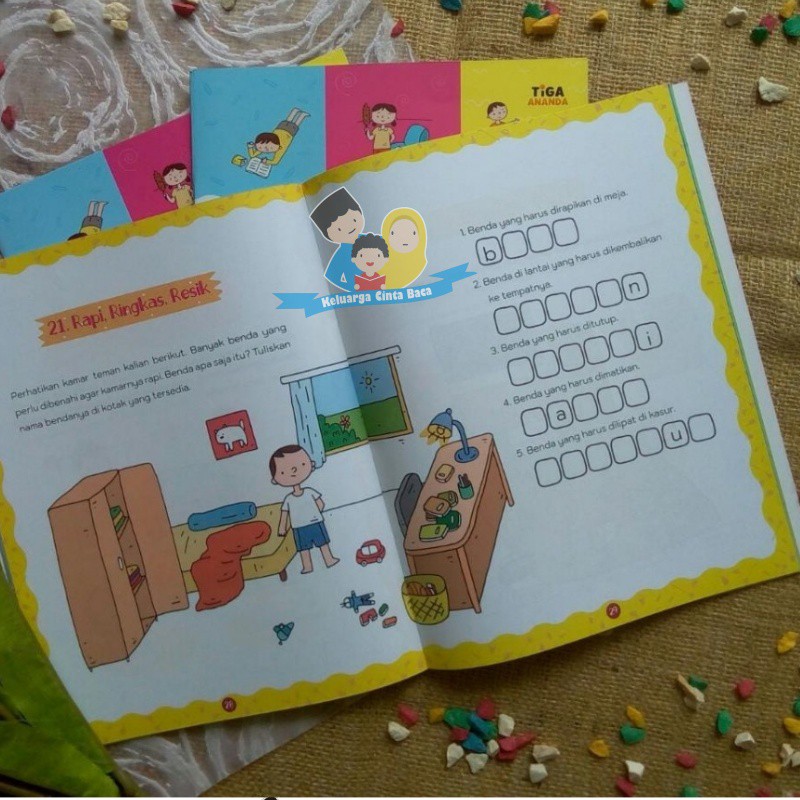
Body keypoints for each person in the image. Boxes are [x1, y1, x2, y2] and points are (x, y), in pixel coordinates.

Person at [270, 444, 339, 575]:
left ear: (310, 464)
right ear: (275, 479)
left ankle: (329, 559)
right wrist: (282, 528)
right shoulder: (288, 499)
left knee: (323, 543)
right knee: (303, 548)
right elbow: (284, 514)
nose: (294, 471)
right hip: (299, 527)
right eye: (283, 472)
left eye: (302, 464)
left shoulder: (309, 491)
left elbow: (321, 504)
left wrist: (315, 513)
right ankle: (307, 566)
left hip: (315, 522)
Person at [309, 187, 366, 292]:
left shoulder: (372, 240)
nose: (349, 227)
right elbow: (333, 278)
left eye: (354, 220)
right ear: (328, 235)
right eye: (339, 229)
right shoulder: (340, 256)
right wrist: (352, 287)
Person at [380, 207, 428, 288]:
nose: (404, 239)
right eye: (393, 233)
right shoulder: (377, 264)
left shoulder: (421, 264)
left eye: (413, 233)